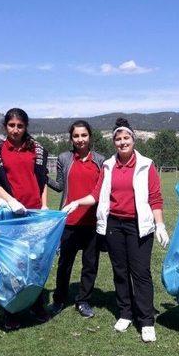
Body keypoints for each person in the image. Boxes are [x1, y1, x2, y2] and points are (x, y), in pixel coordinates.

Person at [63, 118, 170, 343]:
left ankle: (146, 320)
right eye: (118, 139)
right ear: (114, 142)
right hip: (114, 225)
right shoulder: (108, 165)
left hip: (138, 226)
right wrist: (76, 202)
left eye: (126, 138)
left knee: (140, 273)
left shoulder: (146, 164)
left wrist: (159, 224)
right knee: (119, 271)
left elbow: (155, 197)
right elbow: (96, 193)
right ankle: (125, 312)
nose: (122, 142)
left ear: (133, 139)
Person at [0, 107, 51, 330]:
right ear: (6, 126)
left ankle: (35, 304)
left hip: (34, 216)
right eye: (12, 125)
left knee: (35, 263)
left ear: (26, 127)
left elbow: (43, 179)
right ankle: (10, 309)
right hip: (11, 217)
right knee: (10, 265)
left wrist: (43, 206)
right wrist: (11, 201)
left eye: (20, 126)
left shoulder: (38, 149)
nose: (15, 130)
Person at [47, 120, 105, 318]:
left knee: (90, 264)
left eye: (84, 135)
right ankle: (59, 299)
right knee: (65, 264)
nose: (80, 139)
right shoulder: (64, 158)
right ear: (71, 138)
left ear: (90, 136)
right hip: (69, 222)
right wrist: (43, 176)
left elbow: (102, 192)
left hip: (92, 223)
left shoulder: (100, 160)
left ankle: (83, 300)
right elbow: (59, 186)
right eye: (76, 136)